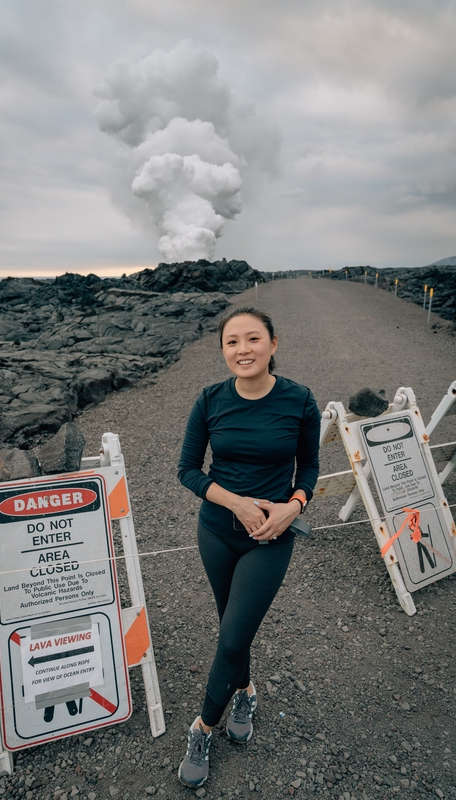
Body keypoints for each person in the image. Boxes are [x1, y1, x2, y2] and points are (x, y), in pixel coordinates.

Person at [176, 306, 320, 788]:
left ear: (273, 344)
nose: (243, 349)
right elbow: (188, 471)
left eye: (253, 339)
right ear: (223, 350)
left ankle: (202, 728)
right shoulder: (210, 399)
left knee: (234, 636)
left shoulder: (299, 400)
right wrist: (236, 503)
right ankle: (245, 690)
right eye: (232, 341)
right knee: (230, 627)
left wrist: (293, 505)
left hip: (271, 538)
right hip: (216, 531)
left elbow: (311, 468)